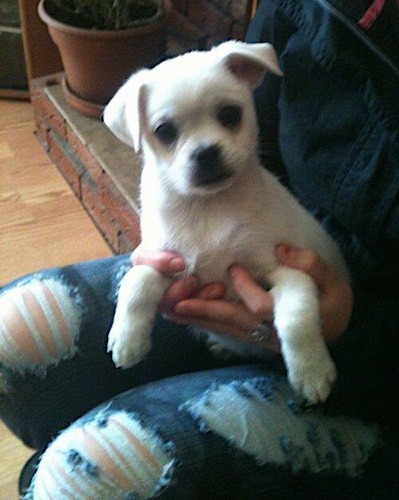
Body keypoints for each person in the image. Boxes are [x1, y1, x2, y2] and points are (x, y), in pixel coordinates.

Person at [1, 0, 399, 498]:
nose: (205, 147)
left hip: (373, 367)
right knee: (10, 329)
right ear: (141, 132)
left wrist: (325, 331)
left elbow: (291, 277)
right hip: (224, 321)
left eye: (227, 118)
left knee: (84, 474)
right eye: (168, 133)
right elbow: (159, 260)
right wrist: (142, 287)